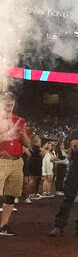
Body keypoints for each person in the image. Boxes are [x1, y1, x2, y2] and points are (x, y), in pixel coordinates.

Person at [0, 92, 31, 236]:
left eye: (11, 100)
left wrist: (23, 135)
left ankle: (3, 226)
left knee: (11, 195)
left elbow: (28, 145)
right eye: (6, 100)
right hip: (1, 160)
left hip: (17, 161)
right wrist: (8, 134)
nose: (9, 103)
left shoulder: (20, 120)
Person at [23, 134, 43, 201]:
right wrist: (45, 148)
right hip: (33, 163)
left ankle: (35, 193)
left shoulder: (39, 146)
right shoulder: (32, 146)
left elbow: (40, 154)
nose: (38, 138)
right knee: (32, 179)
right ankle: (28, 195)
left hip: (38, 163)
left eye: (38, 137)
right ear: (33, 139)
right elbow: (31, 154)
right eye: (36, 137)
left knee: (38, 179)